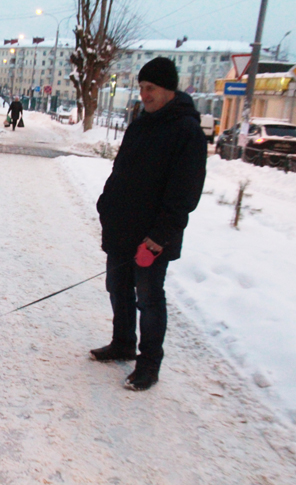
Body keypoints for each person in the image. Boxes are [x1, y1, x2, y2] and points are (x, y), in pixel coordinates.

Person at [91, 57, 207, 391]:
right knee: (118, 289)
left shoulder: (187, 132)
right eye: (141, 88)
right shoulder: (141, 124)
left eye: (150, 88)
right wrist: (106, 203)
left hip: (152, 237)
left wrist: (160, 236)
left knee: (149, 298)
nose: (144, 94)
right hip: (122, 228)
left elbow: (185, 193)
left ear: (169, 89)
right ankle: (123, 342)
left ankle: (149, 364)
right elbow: (121, 170)